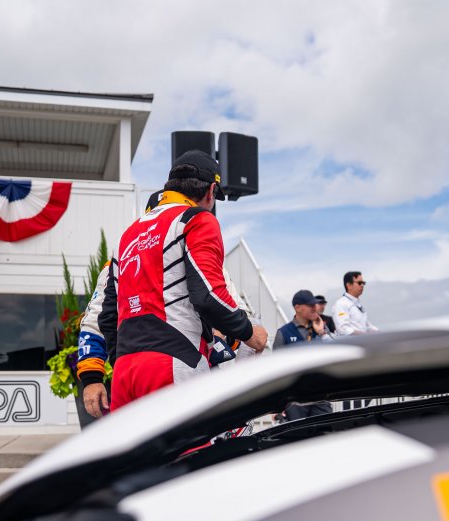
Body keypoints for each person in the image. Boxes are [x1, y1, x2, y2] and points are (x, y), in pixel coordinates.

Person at [78, 150, 268, 415]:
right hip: (175, 362)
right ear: (211, 191)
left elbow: (106, 317)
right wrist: (249, 333)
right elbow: (208, 296)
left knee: (140, 445)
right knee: (194, 444)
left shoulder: (127, 236)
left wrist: (117, 360)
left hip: (125, 370)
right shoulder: (196, 220)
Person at [272, 290, 333, 420]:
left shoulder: (322, 329)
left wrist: (322, 333)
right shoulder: (284, 332)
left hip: (321, 394)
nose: (314, 308)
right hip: (296, 397)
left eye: (315, 304)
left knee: (326, 429)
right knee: (299, 431)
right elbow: (276, 367)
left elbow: (334, 354)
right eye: (310, 305)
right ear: (297, 308)